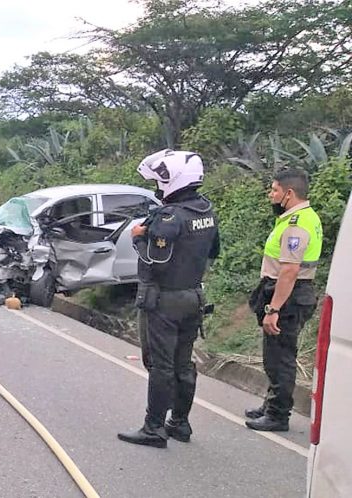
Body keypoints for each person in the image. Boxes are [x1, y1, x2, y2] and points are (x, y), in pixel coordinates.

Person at [118, 149, 220, 449]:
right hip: (193, 297)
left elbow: (155, 259)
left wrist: (137, 237)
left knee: (160, 365)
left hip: (164, 301)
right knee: (183, 363)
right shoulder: (205, 212)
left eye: (159, 181)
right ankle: (179, 422)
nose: (157, 187)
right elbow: (212, 252)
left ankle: (154, 428)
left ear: (173, 179)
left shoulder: (169, 217)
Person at [245, 169, 322, 432]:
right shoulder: (300, 218)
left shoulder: (296, 224)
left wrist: (273, 309)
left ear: (289, 193)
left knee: (281, 358)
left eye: (274, 190)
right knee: (274, 355)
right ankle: (271, 404)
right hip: (290, 292)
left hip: (289, 295)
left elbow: (289, 271)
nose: (271, 195)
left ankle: (278, 415)